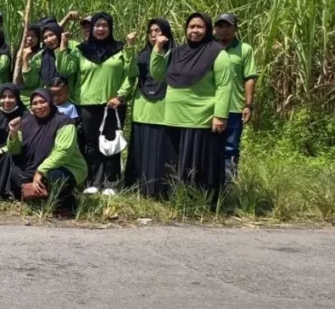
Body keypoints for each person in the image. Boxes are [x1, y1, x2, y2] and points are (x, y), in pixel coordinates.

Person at [149, 13, 232, 199]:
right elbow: (158, 74)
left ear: (208, 29)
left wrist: (220, 115)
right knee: (174, 163)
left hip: (200, 118)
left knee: (197, 165)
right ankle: (173, 197)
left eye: (199, 27)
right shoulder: (177, 52)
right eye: (191, 26)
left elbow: (224, 86)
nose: (195, 30)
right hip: (173, 117)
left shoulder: (217, 53)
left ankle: (197, 199)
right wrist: (158, 49)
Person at [58, 12, 133, 195]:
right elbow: (65, 69)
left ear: (110, 28)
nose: (100, 29)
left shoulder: (120, 49)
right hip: (87, 103)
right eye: (97, 26)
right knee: (92, 144)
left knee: (112, 142)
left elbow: (131, 74)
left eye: (104, 25)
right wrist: (63, 45)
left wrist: (121, 96)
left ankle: (111, 182)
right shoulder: (81, 50)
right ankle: (93, 181)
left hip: (113, 104)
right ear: (92, 29)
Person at [0, 88, 87, 214]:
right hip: (35, 167)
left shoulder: (64, 122)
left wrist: (40, 171)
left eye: (42, 102)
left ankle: (64, 202)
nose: (39, 106)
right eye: (35, 103)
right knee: (16, 171)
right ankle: (40, 197)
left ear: (50, 102)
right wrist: (13, 132)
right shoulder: (27, 122)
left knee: (55, 177)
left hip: (65, 166)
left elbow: (63, 152)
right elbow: (15, 150)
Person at [124, 18, 174, 198]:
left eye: (158, 31)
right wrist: (130, 47)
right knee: (142, 149)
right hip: (143, 108)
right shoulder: (142, 55)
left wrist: (159, 50)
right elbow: (131, 73)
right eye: (150, 31)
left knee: (161, 150)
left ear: (166, 34)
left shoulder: (174, 55)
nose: (153, 35)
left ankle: (161, 190)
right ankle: (138, 188)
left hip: (164, 110)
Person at [214, 13, 257, 178]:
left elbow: (250, 78)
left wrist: (248, 105)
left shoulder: (244, 49)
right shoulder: (209, 48)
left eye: (228, 26)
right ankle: (208, 185)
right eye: (220, 26)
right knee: (208, 147)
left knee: (230, 148)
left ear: (236, 29)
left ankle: (228, 185)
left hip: (233, 108)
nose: (224, 30)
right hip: (210, 107)